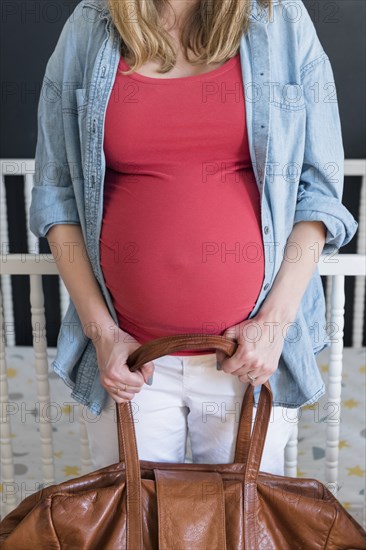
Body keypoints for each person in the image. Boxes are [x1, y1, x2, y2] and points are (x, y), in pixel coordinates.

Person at [29, 0, 358, 474]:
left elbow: (320, 194)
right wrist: (103, 335)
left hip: (248, 358)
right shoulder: (91, 24)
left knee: (242, 533)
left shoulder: (280, 18)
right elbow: (56, 197)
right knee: (132, 532)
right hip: (131, 362)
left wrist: (274, 324)